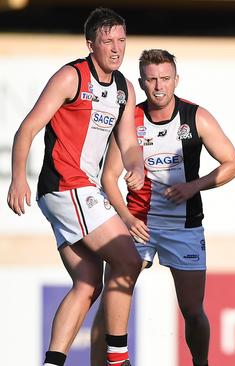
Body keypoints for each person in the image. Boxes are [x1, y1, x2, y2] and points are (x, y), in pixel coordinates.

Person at [6, 8, 143, 366]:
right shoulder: (72, 77)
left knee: (87, 284)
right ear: (90, 44)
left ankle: (52, 362)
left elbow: (128, 143)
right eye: (107, 41)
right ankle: (117, 358)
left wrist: (136, 165)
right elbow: (28, 127)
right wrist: (18, 175)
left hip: (77, 191)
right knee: (129, 259)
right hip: (68, 185)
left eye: (121, 40)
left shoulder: (124, 88)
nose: (116, 48)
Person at [90, 49, 235, 366]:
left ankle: (201, 363)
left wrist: (193, 186)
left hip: (184, 228)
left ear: (176, 79)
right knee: (109, 307)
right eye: (152, 80)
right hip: (139, 224)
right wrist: (127, 218)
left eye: (165, 79)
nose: (159, 86)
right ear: (142, 83)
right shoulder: (130, 119)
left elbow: (233, 165)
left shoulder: (196, 117)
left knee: (192, 310)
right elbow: (109, 177)